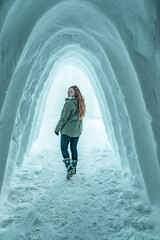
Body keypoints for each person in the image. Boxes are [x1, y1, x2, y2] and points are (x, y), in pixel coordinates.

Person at [54, 85, 86, 179]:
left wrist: (57, 129)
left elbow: (64, 118)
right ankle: (74, 168)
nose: (68, 92)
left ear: (75, 93)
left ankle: (69, 167)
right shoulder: (81, 103)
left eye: (71, 91)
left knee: (64, 149)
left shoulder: (69, 103)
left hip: (67, 131)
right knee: (73, 148)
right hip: (76, 131)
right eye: (68, 91)